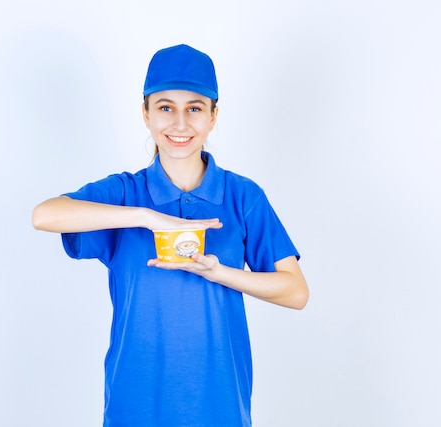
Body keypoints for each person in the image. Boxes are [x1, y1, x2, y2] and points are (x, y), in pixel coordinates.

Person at [32, 44, 309, 427]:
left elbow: (295, 292)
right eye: (165, 107)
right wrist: (147, 217)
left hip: (219, 404)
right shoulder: (124, 194)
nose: (180, 123)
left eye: (194, 108)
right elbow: (44, 215)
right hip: (136, 404)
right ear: (145, 114)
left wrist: (220, 273)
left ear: (213, 116)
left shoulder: (243, 196)